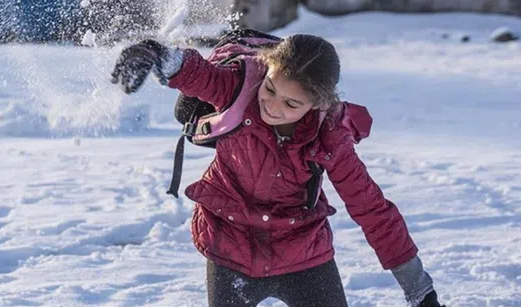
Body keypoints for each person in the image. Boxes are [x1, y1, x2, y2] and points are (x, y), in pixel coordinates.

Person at [110, 35, 445, 307]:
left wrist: (419, 290)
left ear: (319, 104)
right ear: (266, 67)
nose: (272, 105)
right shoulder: (238, 90)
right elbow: (198, 74)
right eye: (271, 89)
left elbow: (371, 210)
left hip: (303, 252)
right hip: (231, 247)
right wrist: (155, 53)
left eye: (291, 104)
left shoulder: (329, 138)